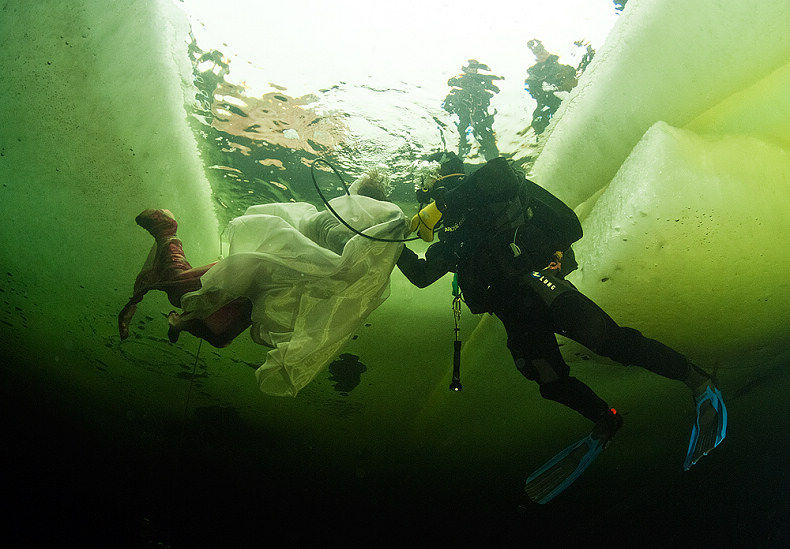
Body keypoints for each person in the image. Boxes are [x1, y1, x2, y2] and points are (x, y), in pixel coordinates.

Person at [398, 152, 727, 503]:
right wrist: (387, 246)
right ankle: (605, 419)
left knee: (608, 340)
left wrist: (454, 198)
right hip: (514, 313)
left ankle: (699, 381)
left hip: (539, 285)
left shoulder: (489, 195)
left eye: (430, 189)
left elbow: (531, 196)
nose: (430, 200)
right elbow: (420, 276)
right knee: (548, 380)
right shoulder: (452, 238)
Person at [118, 168, 408, 396]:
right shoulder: (338, 220)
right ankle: (167, 232)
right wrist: (362, 249)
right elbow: (335, 244)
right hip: (260, 265)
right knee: (182, 289)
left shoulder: (361, 237)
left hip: (273, 286)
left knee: (220, 335)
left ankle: (182, 320)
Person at [442, 59, 503, 161]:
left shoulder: (482, 79)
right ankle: (460, 155)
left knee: (484, 131)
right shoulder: (459, 79)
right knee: (462, 130)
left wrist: (490, 88)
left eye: (475, 67)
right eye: (471, 66)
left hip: (478, 110)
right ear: (466, 68)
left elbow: (495, 90)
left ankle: (492, 157)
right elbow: (451, 86)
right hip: (464, 109)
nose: (473, 69)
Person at [524, 40, 579, 135]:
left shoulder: (566, 69)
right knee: (539, 122)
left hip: (571, 103)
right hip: (550, 106)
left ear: (546, 50)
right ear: (535, 55)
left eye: (541, 50)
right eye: (537, 52)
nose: (541, 54)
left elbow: (575, 84)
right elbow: (536, 93)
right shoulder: (534, 76)